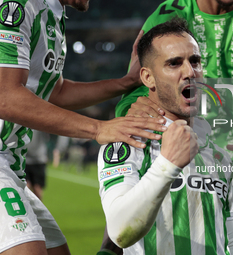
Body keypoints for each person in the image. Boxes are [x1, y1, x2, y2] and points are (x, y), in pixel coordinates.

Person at [106, 0, 233, 254]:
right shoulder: (170, 12)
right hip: (177, 157)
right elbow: (137, 85)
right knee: (131, 226)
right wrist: (130, 111)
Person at [0, 0, 168, 253]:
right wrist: (98, 128)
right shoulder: (18, 4)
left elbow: (56, 91)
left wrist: (125, 83)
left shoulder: (54, 14)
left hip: (12, 164)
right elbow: (5, 96)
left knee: (56, 251)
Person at [98, 18, 233, 255]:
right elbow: (119, 231)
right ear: (148, 78)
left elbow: (229, 240)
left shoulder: (217, 152)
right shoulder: (128, 142)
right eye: (174, 63)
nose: (190, 72)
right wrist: (167, 165)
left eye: (195, 61)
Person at [25, 129, 49, 201]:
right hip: (25, 158)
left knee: (37, 188)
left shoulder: (41, 122)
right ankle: (27, 209)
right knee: (25, 186)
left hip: (39, 159)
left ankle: (38, 210)